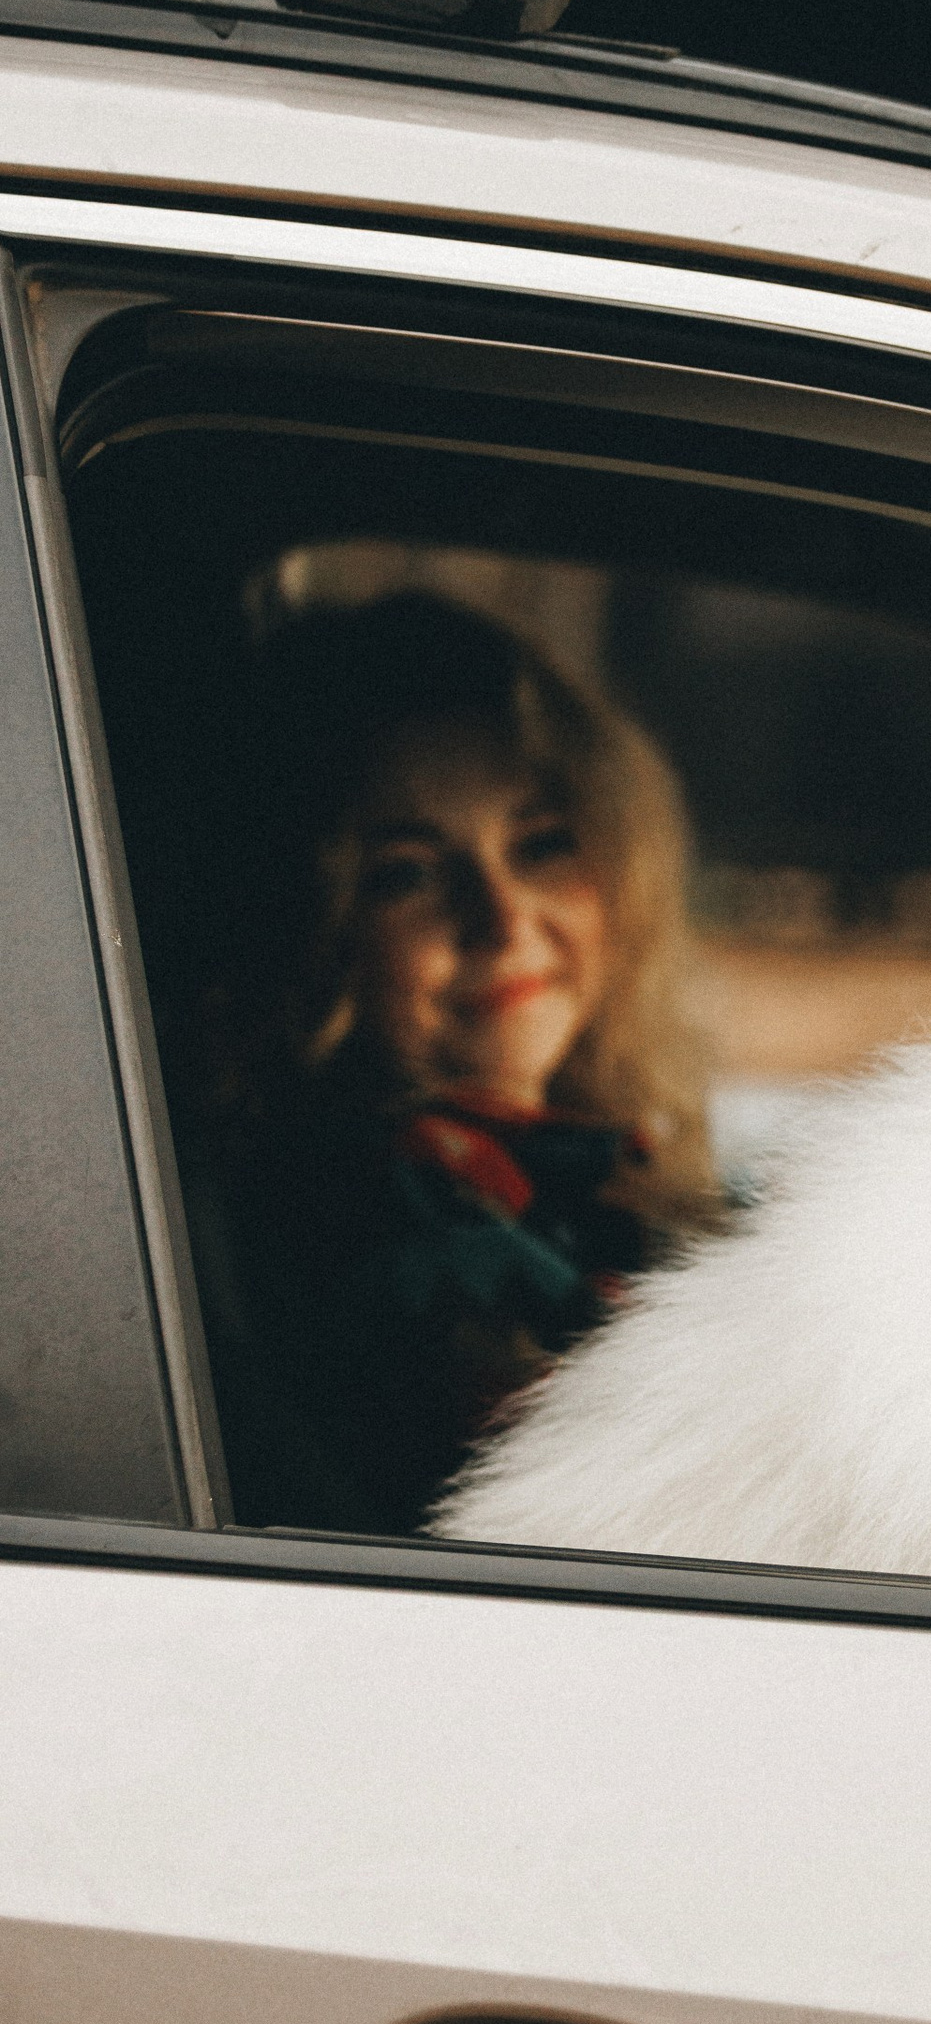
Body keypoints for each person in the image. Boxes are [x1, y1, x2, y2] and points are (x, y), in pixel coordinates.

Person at [189, 588, 725, 1533]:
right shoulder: (384, 1226)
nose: (503, 918)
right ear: (310, 932)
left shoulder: (586, 1180)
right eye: (407, 873)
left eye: (541, 845)